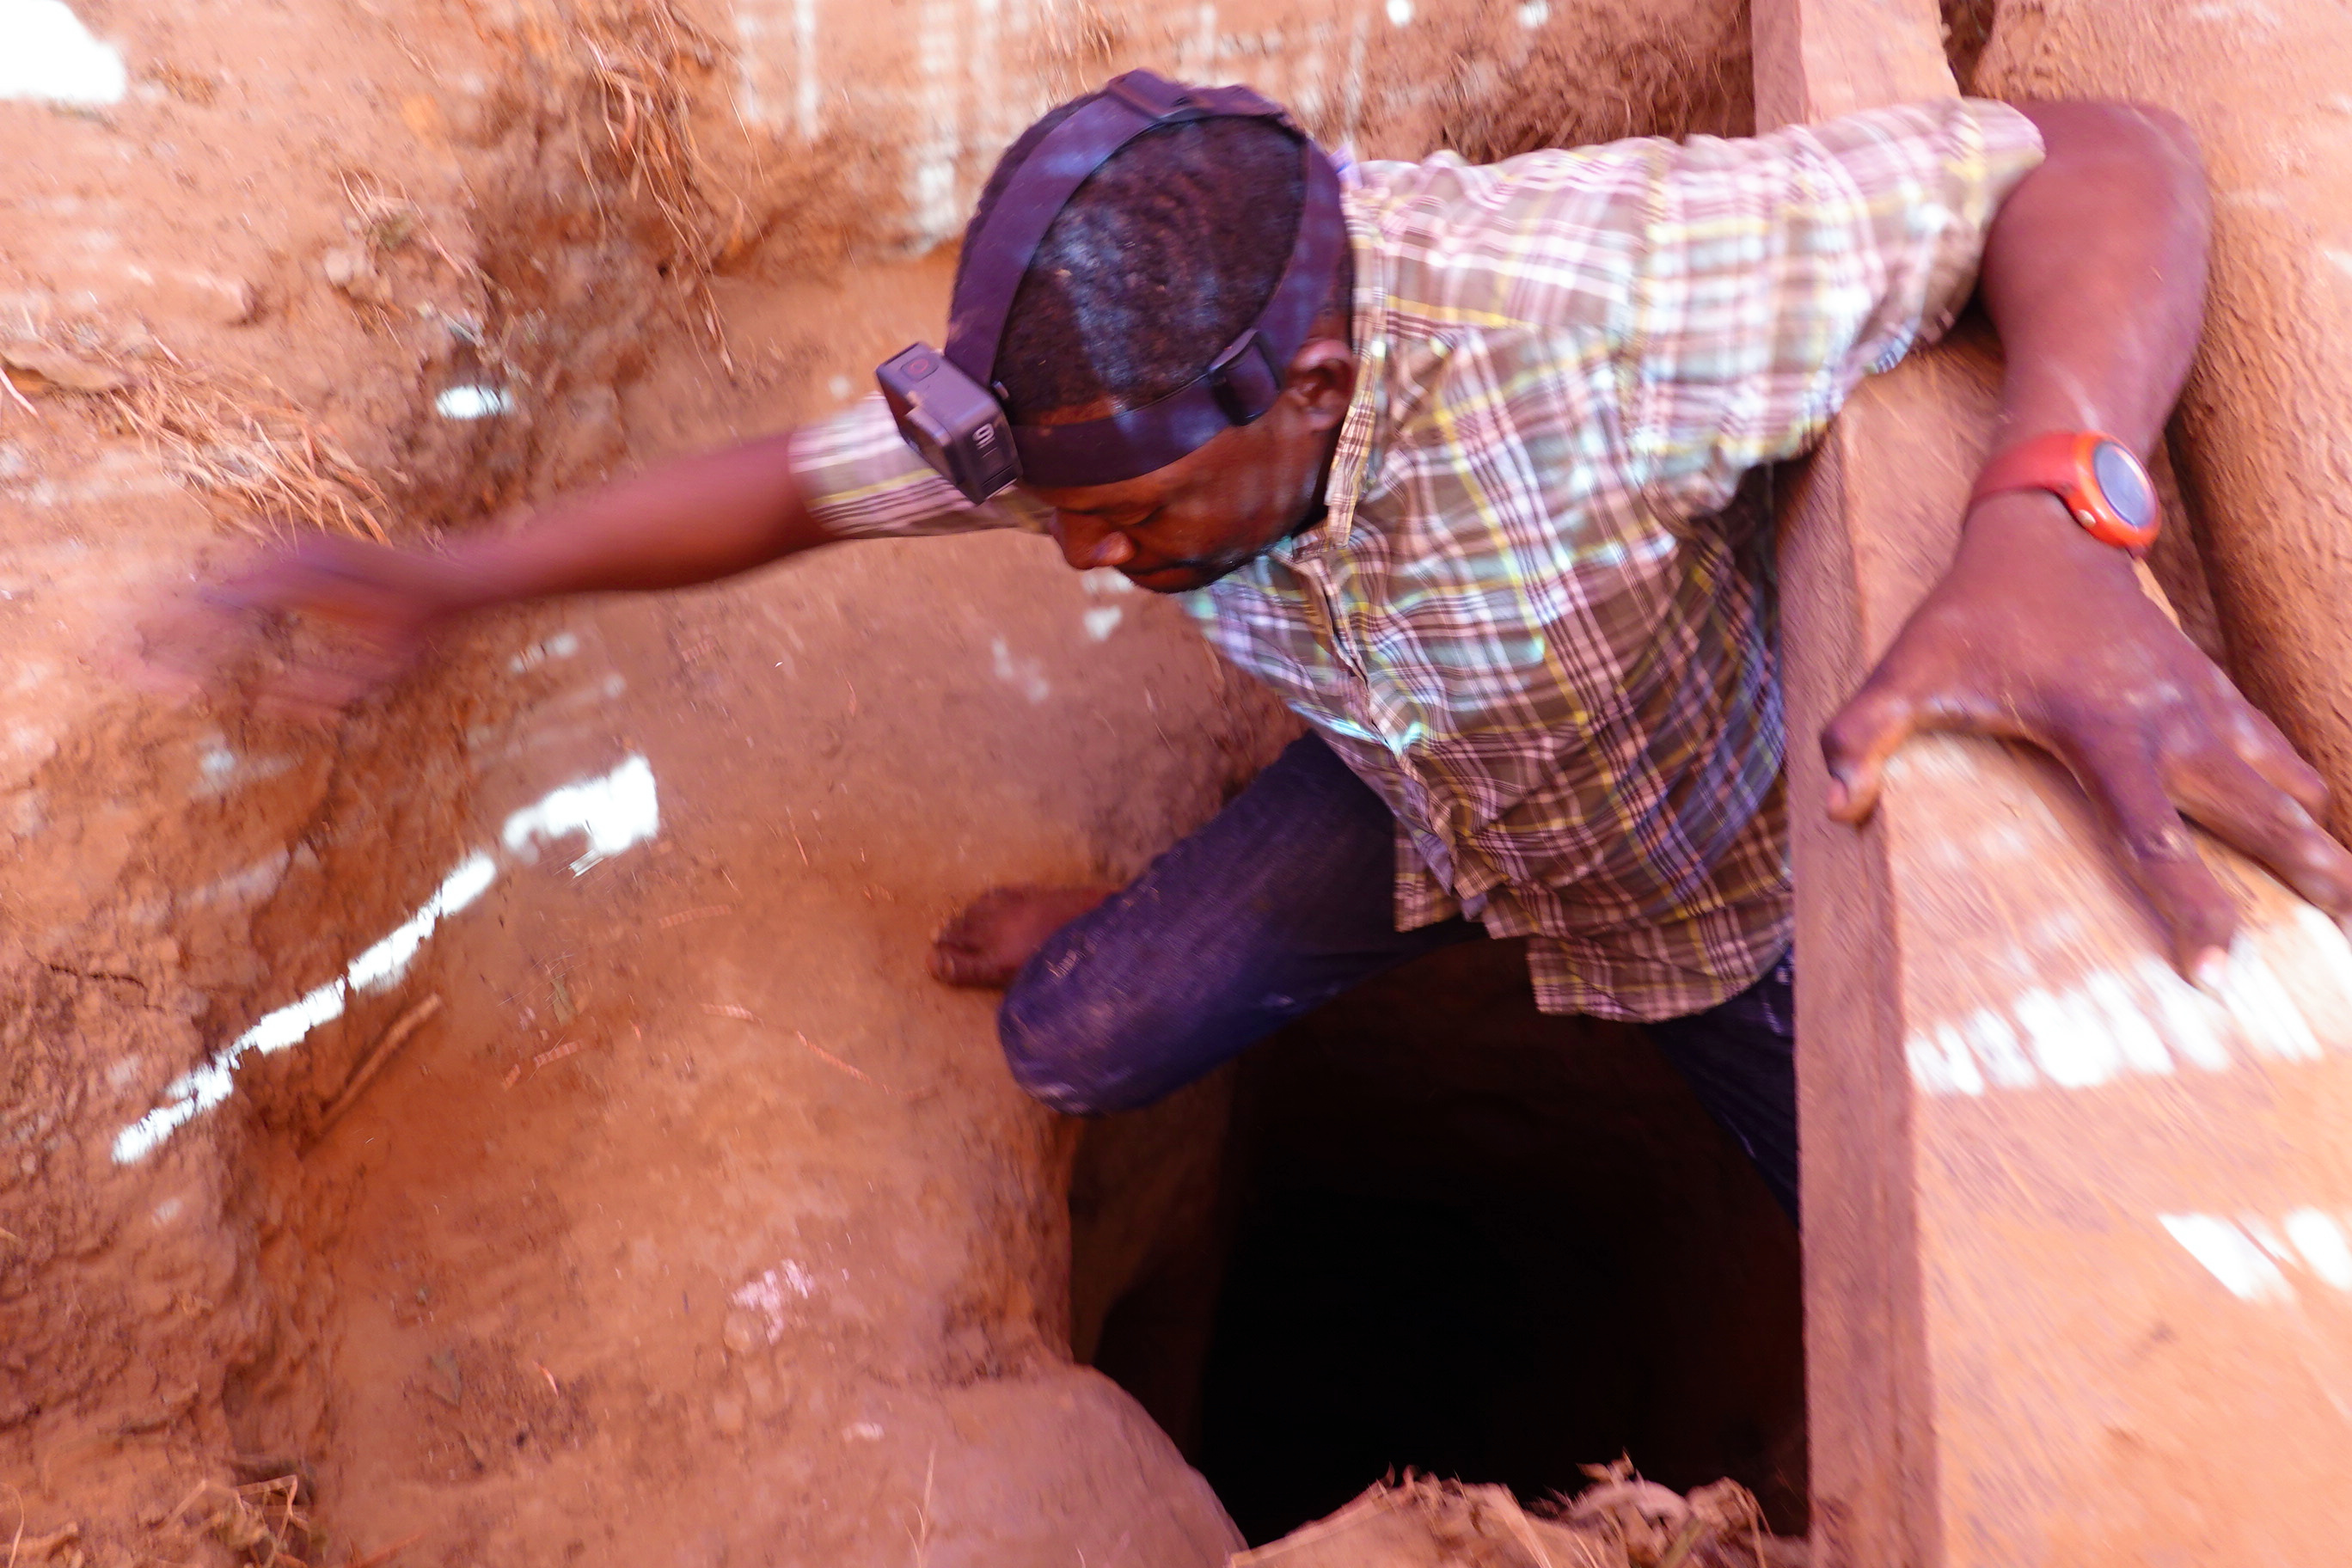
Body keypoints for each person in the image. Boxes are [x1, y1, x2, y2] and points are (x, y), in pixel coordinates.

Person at [150, 77, 2352, 1222]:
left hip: (1733, 884)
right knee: (1076, 1042)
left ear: (1309, 386)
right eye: (1063, 516)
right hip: (1434, 803)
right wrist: (448, 578)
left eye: (1136, 524)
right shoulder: (1078, 398)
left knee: (1847, 1255)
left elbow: (2102, 160)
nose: (1094, 568)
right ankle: (1209, 918)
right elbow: (791, 490)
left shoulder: (1598, 305)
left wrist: (2064, 510)